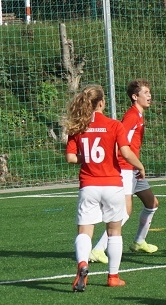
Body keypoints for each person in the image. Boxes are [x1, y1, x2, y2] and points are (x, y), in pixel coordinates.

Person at [64, 85, 145, 292]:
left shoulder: (78, 126)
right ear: (101, 103)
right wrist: (140, 166)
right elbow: (126, 153)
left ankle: (82, 264)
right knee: (114, 231)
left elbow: (71, 158)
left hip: (89, 185)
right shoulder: (114, 125)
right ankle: (113, 276)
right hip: (112, 185)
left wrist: (86, 157)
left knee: (84, 231)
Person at [90, 79, 160, 264]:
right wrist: (130, 164)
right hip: (126, 168)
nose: (149, 95)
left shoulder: (139, 115)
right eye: (145, 92)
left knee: (152, 203)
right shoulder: (131, 116)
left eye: (149, 92)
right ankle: (98, 249)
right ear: (135, 97)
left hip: (133, 167)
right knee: (125, 212)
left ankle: (138, 241)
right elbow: (120, 143)